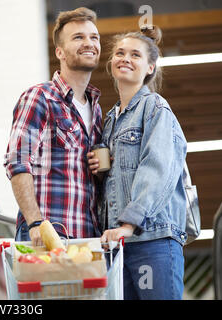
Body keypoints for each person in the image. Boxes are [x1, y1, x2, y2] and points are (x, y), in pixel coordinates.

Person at [87, 25, 187, 299]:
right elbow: (117, 181)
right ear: (110, 63)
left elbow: (158, 168)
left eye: (135, 55)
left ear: (150, 67)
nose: (125, 59)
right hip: (120, 244)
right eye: (119, 53)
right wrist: (100, 173)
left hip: (152, 238)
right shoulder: (109, 119)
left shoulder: (155, 107)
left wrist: (129, 223)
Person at [4, 7, 103, 246]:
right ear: (60, 52)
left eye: (94, 37)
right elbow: (17, 160)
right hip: (47, 237)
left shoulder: (97, 111)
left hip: (88, 239)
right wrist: (35, 222)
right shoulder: (40, 97)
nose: (89, 43)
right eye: (78, 37)